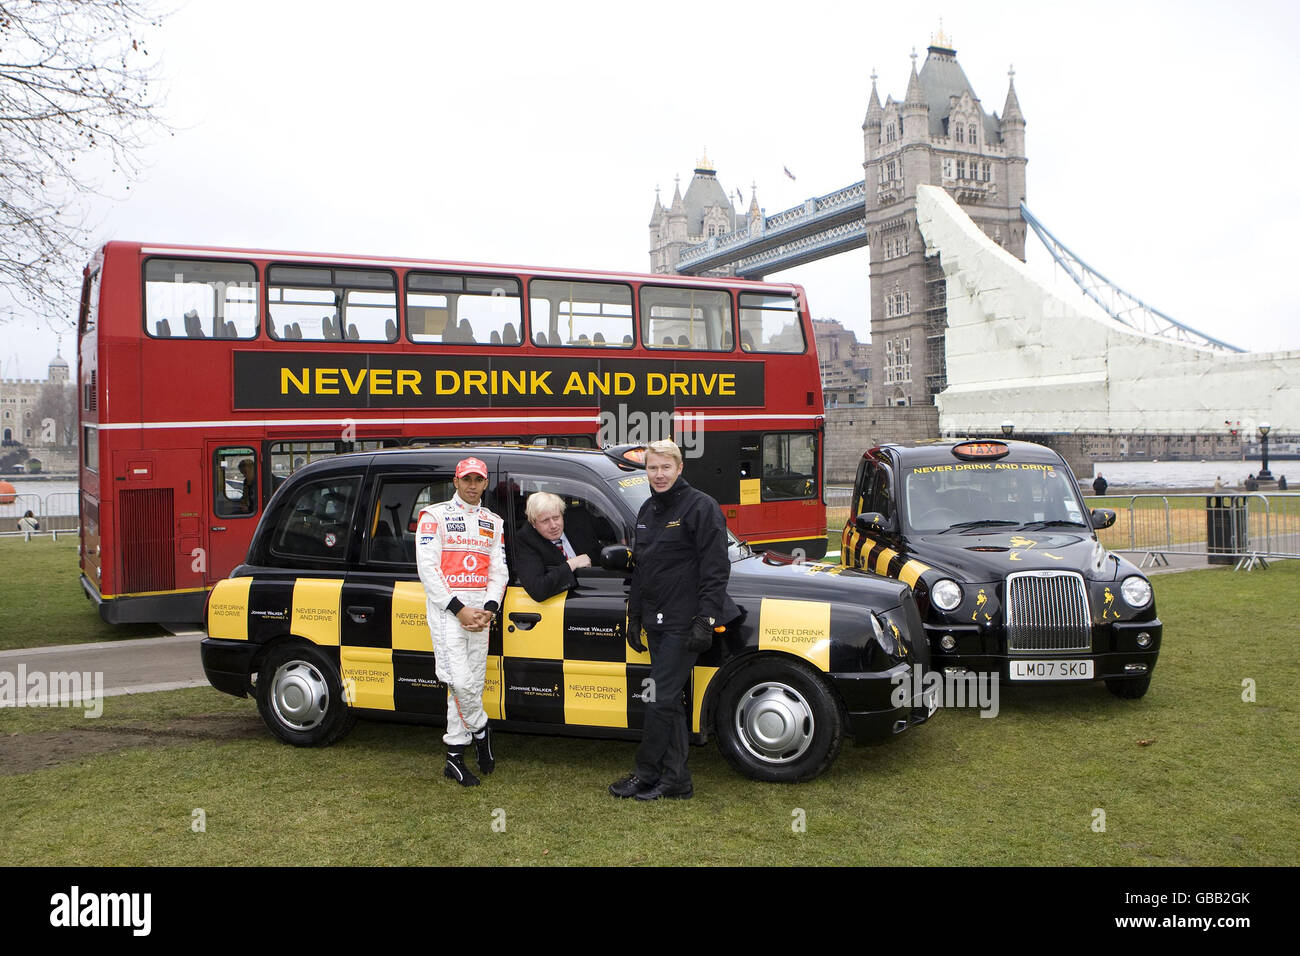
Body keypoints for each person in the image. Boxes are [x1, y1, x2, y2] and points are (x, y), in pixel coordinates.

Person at [608, 439, 739, 802]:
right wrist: (634, 616)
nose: (659, 474)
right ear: (645, 470)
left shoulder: (701, 507)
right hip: (656, 621)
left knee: (659, 699)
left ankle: (646, 773)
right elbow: (642, 569)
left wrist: (705, 619)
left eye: (666, 467)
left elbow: (716, 569)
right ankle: (677, 779)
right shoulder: (647, 510)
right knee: (669, 701)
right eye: (653, 468)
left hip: (686, 621)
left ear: (679, 468)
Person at [415, 457, 508, 787]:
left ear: (485, 483)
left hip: (481, 616)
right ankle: (482, 731)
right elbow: (428, 570)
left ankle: (454, 758)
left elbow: (498, 571)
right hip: (448, 613)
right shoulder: (434, 516)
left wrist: (490, 608)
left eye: (478, 480)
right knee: (459, 681)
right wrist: (459, 609)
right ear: (455, 481)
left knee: (472, 683)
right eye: (466, 479)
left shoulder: (493, 521)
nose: (472, 485)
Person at [514, 491, 597, 602]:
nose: (553, 525)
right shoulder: (525, 540)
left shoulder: (578, 521)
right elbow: (538, 589)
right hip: (566, 603)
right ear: (533, 523)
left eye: (556, 518)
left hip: (600, 589)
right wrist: (572, 564)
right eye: (545, 521)